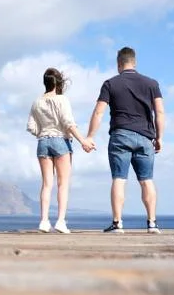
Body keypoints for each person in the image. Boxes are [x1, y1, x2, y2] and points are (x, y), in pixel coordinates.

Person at [85, 47, 165, 234]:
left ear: (119, 64)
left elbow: (99, 111)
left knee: (119, 179)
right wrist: (160, 137)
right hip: (146, 136)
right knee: (147, 181)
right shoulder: (151, 84)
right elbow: (159, 112)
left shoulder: (110, 84)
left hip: (120, 136)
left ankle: (117, 223)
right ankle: (152, 223)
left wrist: (90, 136)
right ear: (134, 62)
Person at [27, 68, 94, 233]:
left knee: (46, 184)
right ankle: (61, 221)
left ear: (45, 82)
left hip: (43, 142)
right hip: (61, 142)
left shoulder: (36, 102)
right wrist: (83, 141)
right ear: (58, 83)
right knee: (63, 184)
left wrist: (43, 131)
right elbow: (68, 123)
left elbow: (31, 126)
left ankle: (43, 221)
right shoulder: (62, 99)